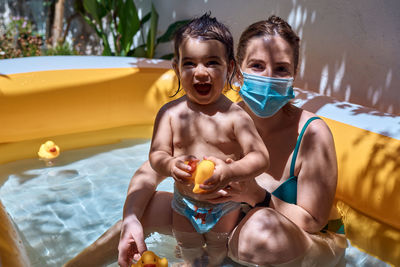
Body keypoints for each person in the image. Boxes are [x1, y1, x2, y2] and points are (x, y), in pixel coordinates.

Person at [64, 15, 346, 267]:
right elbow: (149, 173)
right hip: (232, 227)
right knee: (146, 209)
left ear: (294, 75)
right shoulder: (220, 117)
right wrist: (131, 220)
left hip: (309, 245)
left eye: (281, 69)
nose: (268, 77)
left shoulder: (311, 134)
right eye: (257, 66)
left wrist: (255, 196)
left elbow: (314, 222)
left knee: (258, 230)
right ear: (238, 72)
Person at [148, 13, 269, 266]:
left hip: (224, 205)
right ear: (176, 68)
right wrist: (170, 165)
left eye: (212, 62)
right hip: (184, 202)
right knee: (188, 246)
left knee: (217, 249)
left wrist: (230, 171)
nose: (200, 72)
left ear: (230, 68)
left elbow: (260, 157)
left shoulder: (236, 116)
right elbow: (157, 154)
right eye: (189, 63)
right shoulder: (170, 114)